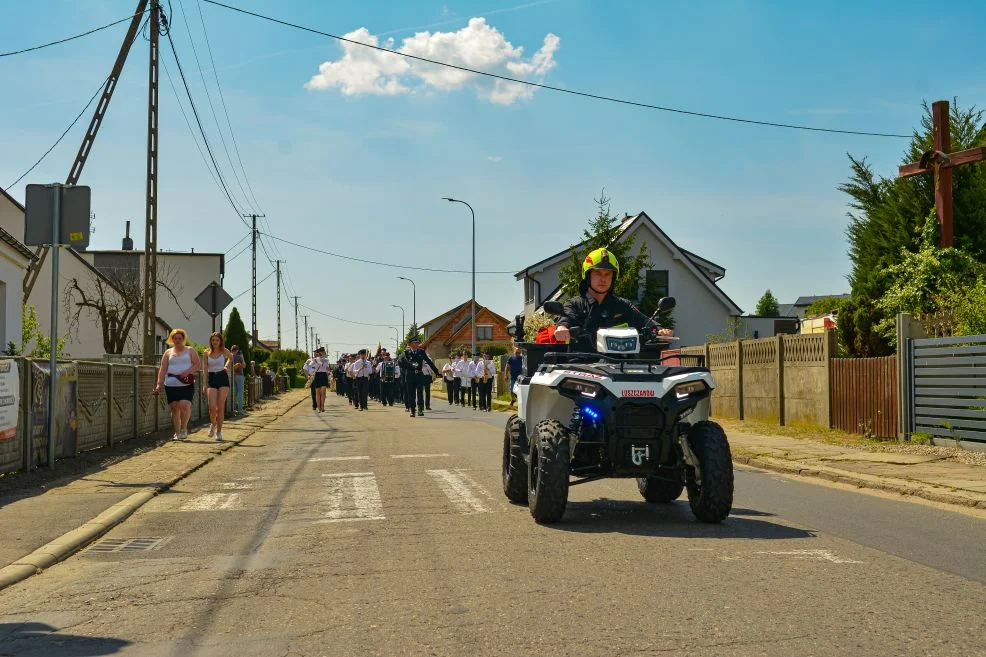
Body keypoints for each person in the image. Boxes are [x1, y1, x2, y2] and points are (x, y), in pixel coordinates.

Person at [553, 247, 672, 349]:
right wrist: (562, 328)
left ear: (613, 277)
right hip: (581, 368)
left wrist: (660, 330)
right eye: (598, 273)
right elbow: (565, 318)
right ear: (588, 275)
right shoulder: (574, 304)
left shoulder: (623, 305)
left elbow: (645, 321)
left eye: (607, 274)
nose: (603, 279)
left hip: (618, 366)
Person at [155, 328, 201, 440]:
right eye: (175, 338)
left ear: (183, 339)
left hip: (186, 384)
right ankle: (177, 432)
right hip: (171, 384)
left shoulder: (190, 350)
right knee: (174, 408)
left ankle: (184, 428)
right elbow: (162, 369)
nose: (177, 340)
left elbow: (197, 364)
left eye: (180, 338)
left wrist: (187, 372)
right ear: (172, 339)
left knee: (185, 405)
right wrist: (159, 384)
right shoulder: (168, 352)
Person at [398, 336, 440, 417]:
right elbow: (400, 363)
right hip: (409, 375)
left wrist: (436, 371)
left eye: (418, 343)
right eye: (415, 343)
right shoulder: (405, 353)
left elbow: (429, 361)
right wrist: (409, 366)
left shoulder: (421, 352)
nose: (417, 344)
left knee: (420, 393)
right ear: (410, 344)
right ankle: (413, 410)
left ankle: (420, 410)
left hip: (419, 375)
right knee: (411, 394)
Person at [202, 331, 232, 441]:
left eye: (217, 340)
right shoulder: (206, 353)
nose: (215, 342)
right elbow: (205, 369)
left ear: (220, 341)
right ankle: (213, 424)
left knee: (220, 407)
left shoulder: (224, 350)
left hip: (222, 377)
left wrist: (226, 366)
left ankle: (219, 432)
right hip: (211, 378)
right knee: (212, 407)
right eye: (213, 340)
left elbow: (230, 357)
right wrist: (204, 384)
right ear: (210, 341)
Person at [311, 347, 331, 412]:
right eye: (321, 352)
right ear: (319, 353)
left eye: (323, 352)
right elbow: (311, 365)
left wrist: (323, 360)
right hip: (317, 375)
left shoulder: (326, 360)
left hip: (324, 375)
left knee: (323, 392)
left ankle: (322, 406)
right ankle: (318, 407)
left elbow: (327, 368)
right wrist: (315, 360)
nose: (323, 353)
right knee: (318, 392)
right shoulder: (316, 359)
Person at [230, 345, 246, 415]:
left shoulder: (229, 357)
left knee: (234, 392)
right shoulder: (239, 356)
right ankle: (240, 409)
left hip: (232, 376)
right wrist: (242, 357)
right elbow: (244, 365)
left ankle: (233, 409)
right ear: (237, 350)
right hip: (239, 375)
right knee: (240, 392)